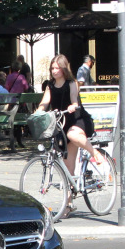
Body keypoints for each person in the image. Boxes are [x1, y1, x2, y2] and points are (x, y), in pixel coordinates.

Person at [37, 54, 108, 218]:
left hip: (77, 119)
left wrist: (72, 106)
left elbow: (75, 102)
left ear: (63, 69)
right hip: (60, 124)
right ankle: (68, 204)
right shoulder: (50, 85)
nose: (54, 71)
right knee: (68, 168)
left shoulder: (72, 83)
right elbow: (44, 103)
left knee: (73, 134)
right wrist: (37, 113)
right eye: (52, 68)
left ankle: (94, 153)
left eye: (57, 68)